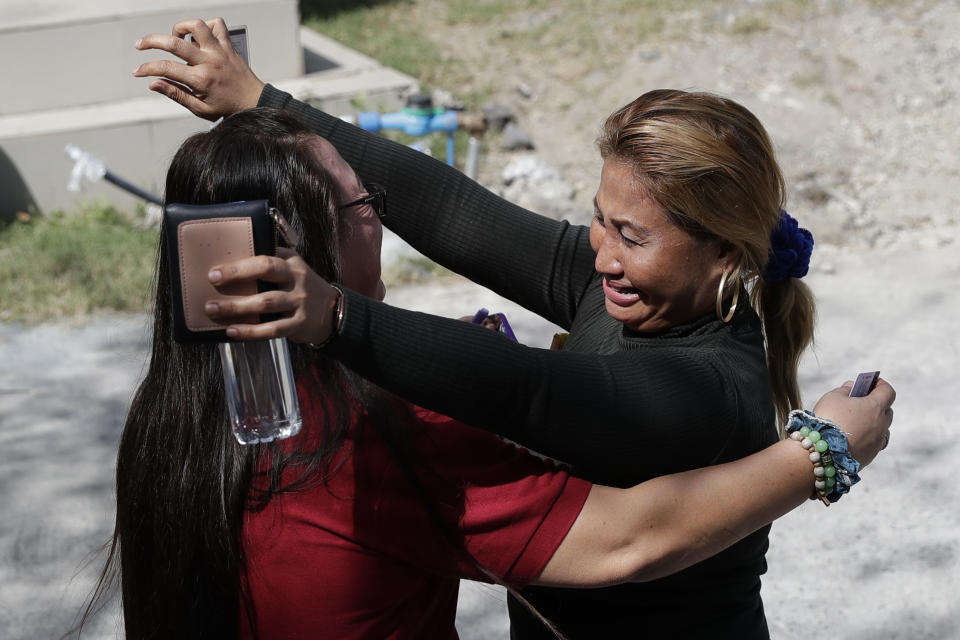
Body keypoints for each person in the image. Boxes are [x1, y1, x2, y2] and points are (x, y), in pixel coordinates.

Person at [133, 19, 895, 638]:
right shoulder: (619, 289)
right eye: (601, 219)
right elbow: (453, 211)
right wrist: (261, 98)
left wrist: (338, 316)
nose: (602, 253)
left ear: (724, 253)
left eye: (633, 237)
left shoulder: (712, 384)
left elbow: (528, 391)